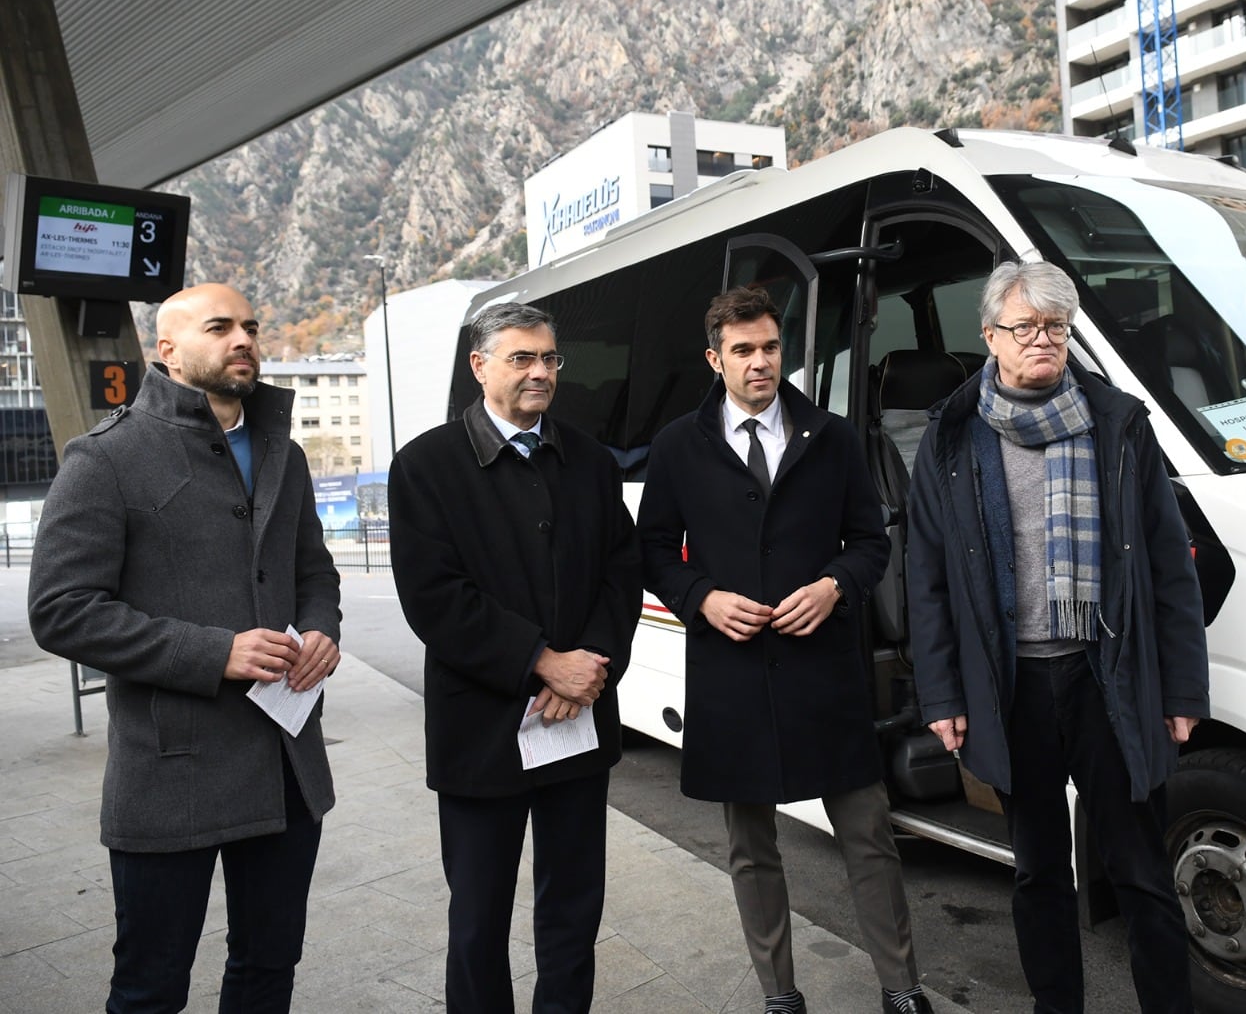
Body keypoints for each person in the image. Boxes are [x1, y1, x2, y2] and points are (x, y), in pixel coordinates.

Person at [28, 282, 342, 1014]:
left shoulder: (283, 456)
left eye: (252, 326)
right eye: (220, 326)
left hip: (285, 764)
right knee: (149, 987)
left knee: (268, 968)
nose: (243, 339)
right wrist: (214, 652)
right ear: (166, 349)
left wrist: (322, 627)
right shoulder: (104, 458)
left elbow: (313, 569)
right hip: (169, 772)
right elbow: (60, 610)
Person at [906, 261, 1209, 1014]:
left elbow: (1170, 567)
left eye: (1056, 327)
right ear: (990, 337)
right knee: (1040, 869)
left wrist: (1181, 687)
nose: (1043, 340)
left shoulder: (1118, 424)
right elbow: (928, 577)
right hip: (1011, 687)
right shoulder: (951, 436)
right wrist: (942, 692)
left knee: (1139, 867)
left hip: (1106, 674)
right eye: (1025, 327)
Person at [637, 286, 933, 1014]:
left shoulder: (831, 437)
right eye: (743, 350)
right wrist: (702, 595)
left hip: (821, 671)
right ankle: (779, 995)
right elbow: (650, 549)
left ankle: (902, 987)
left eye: (770, 346)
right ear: (716, 358)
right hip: (731, 672)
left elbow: (870, 542)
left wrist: (834, 585)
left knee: (868, 832)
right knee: (751, 844)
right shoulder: (679, 444)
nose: (760, 361)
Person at [388, 302, 641, 1014]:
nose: (539, 372)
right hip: (482, 732)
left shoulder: (590, 461)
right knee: (478, 917)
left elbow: (621, 573)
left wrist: (588, 663)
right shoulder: (426, 467)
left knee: (572, 911)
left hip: (577, 723)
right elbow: (435, 599)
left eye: (549, 358)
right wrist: (539, 660)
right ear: (479, 366)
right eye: (521, 358)